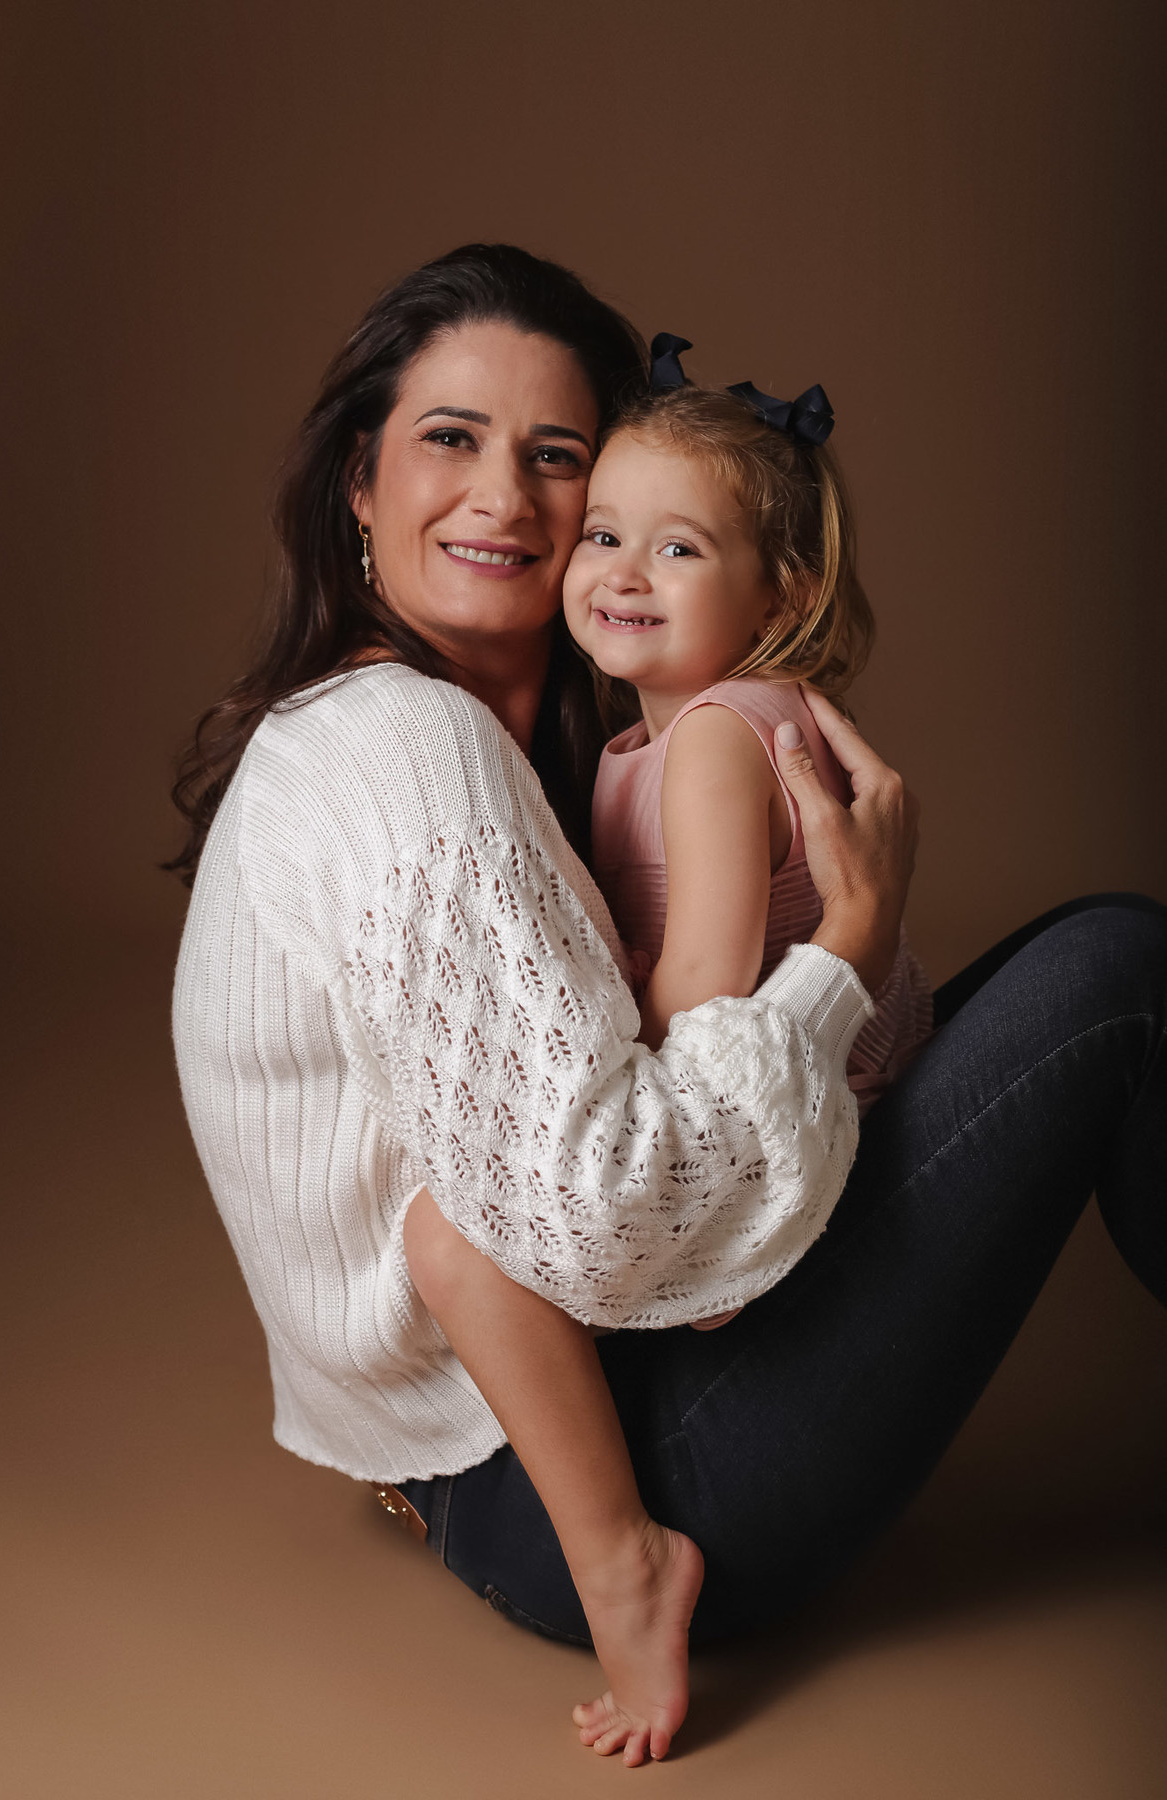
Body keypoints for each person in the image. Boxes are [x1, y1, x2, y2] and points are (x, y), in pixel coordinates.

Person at [169, 243, 1166, 1769]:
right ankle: (637, 1572)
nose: (504, 497)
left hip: (510, 1431)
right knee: (1117, 977)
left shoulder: (468, 743)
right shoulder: (411, 757)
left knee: (1091, 961)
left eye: (555, 456)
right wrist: (851, 945)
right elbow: (606, 1218)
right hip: (585, 1489)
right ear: (360, 486)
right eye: (450, 438)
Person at [399, 362, 937, 1760]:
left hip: (795, 1107)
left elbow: (706, 980)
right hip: (772, 1085)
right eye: (604, 534)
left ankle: (631, 1559)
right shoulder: (655, 739)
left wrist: (571, 1048)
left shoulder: (714, 738)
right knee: (494, 1224)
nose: (622, 572)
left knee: (463, 1236)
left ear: (780, 594)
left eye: (680, 547)